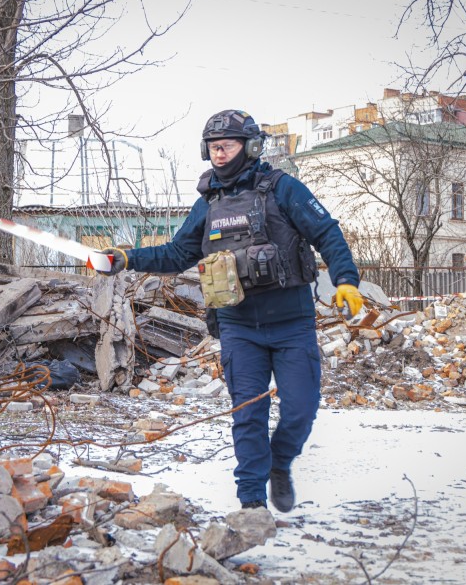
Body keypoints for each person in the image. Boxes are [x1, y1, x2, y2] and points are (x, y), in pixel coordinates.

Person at [99, 109, 363, 512]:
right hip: (239, 327)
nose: (219, 154)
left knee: (301, 409)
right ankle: (252, 502)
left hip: (292, 324)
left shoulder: (283, 188)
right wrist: (127, 258)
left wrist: (346, 280)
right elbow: (176, 253)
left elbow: (326, 231)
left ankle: (280, 463)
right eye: (213, 148)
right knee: (248, 414)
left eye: (227, 146)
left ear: (251, 146)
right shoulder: (209, 204)